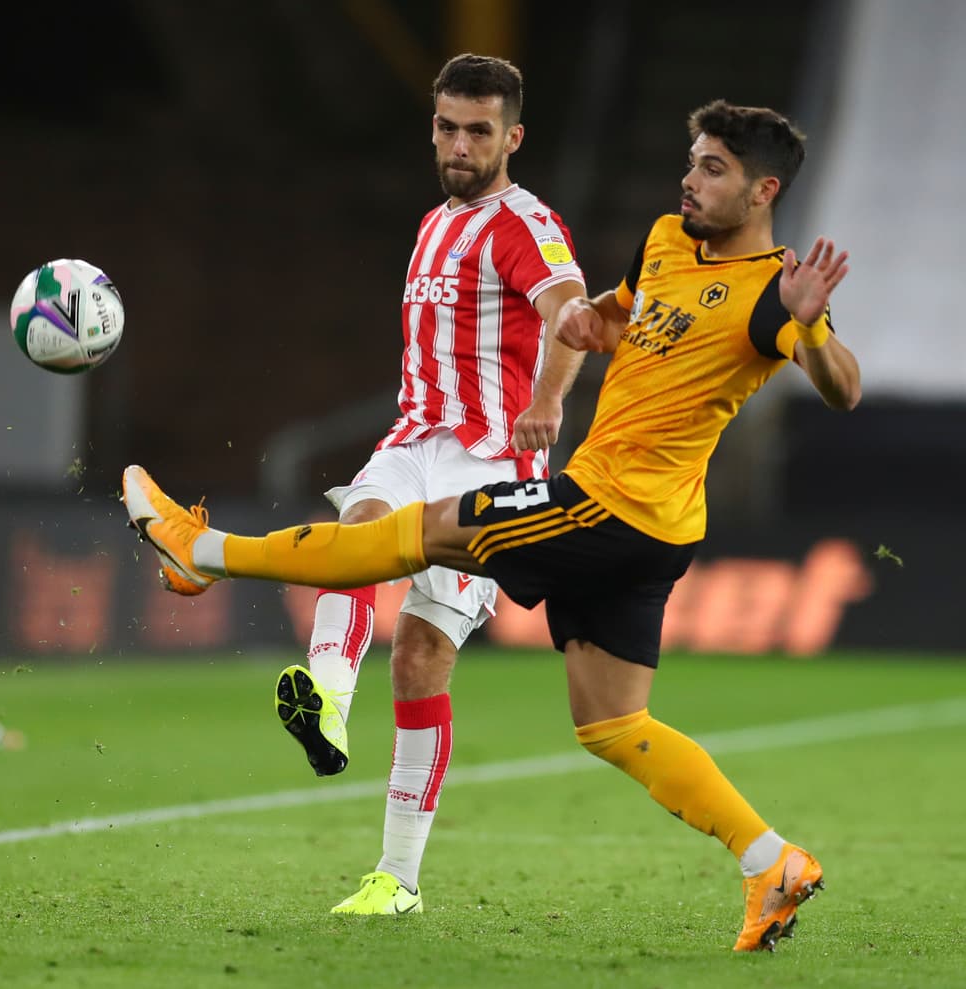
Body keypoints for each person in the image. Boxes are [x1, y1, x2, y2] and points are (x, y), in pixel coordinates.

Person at [123, 99, 861, 951]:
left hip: (608, 508)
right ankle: (769, 860)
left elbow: (842, 387)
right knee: (613, 725)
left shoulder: (776, 291)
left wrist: (809, 324)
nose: (691, 180)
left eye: (715, 170)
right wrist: (585, 326)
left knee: (415, 533)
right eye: (693, 162)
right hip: (649, 528)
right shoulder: (665, 240)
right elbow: (618, 315)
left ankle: (202, 553)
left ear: (765, 189)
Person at [140, 54, 587, 916]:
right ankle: (329, 706)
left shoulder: (523, 223)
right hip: (413, 439)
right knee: (353, 532)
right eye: (448, 127)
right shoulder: (432, 224)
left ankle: (399, 879)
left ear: (513, 137)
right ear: (432, 127)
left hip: (491, 464)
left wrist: (548, 400)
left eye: (479, 131)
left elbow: (570, 304)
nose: (460, 145)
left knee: (421, 658)